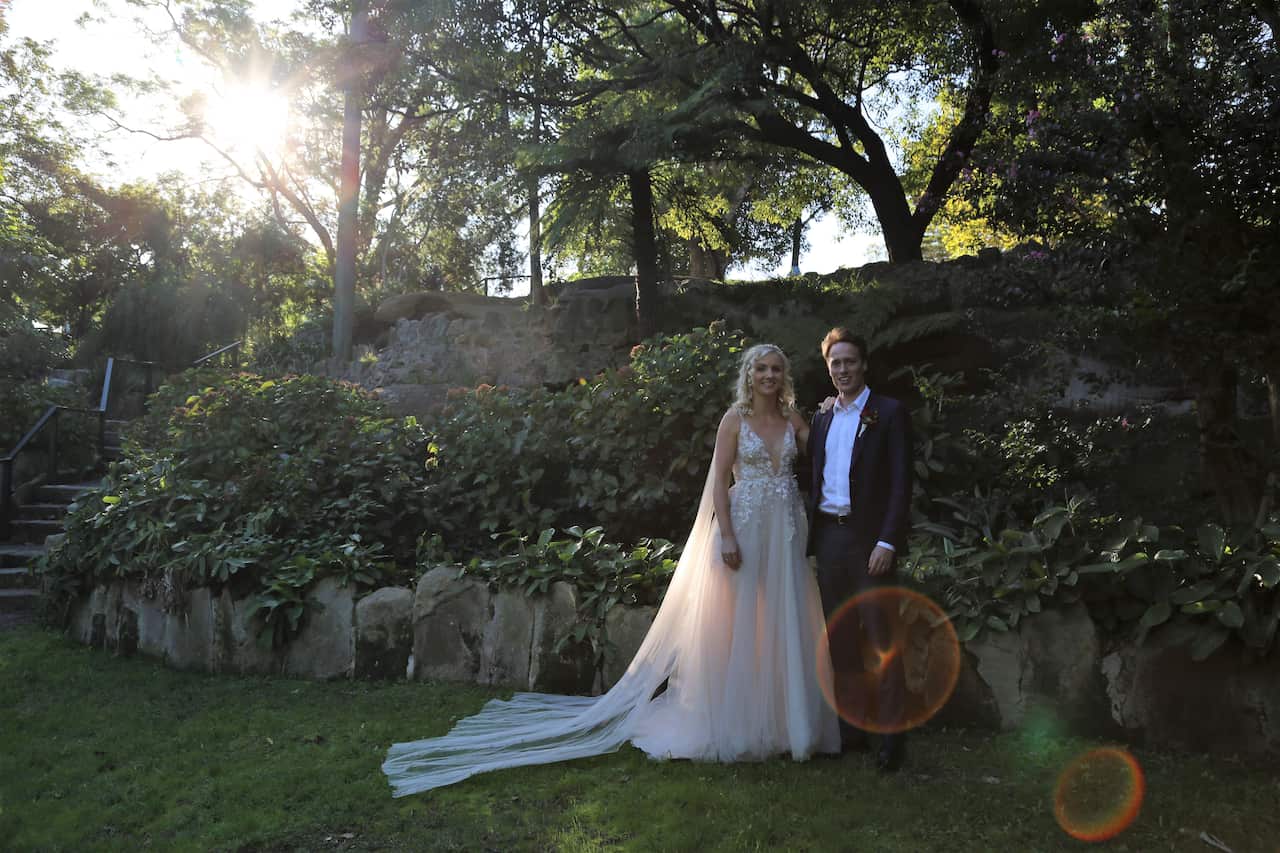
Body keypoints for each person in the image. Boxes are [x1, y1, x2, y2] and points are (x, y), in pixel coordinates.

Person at [382, 344, 839, 796]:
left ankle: (787, 726)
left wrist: (831, 409)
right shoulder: (733, 420)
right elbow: (719, 479)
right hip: (745, 527)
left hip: (785, 532)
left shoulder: (793, 418)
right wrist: (726, 536)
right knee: (737, 624)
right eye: (761, 368)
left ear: (785, 375)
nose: (769, 375)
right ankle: (739, 724)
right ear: (749, 374)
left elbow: (819, 445)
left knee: (783, 620)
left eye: (776, 368)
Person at [806, 327, 913, 772]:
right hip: (829, 539)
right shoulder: (822, 418)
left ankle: (892, 740)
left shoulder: (888, 413)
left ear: (863, 364)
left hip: (870, 541)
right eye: (836, 363)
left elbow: (901, 483)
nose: (843, 369)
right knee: (841, 640)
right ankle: (851, 731)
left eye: (850, 361)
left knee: (882, 638)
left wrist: (887, 540)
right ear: (828, 367)